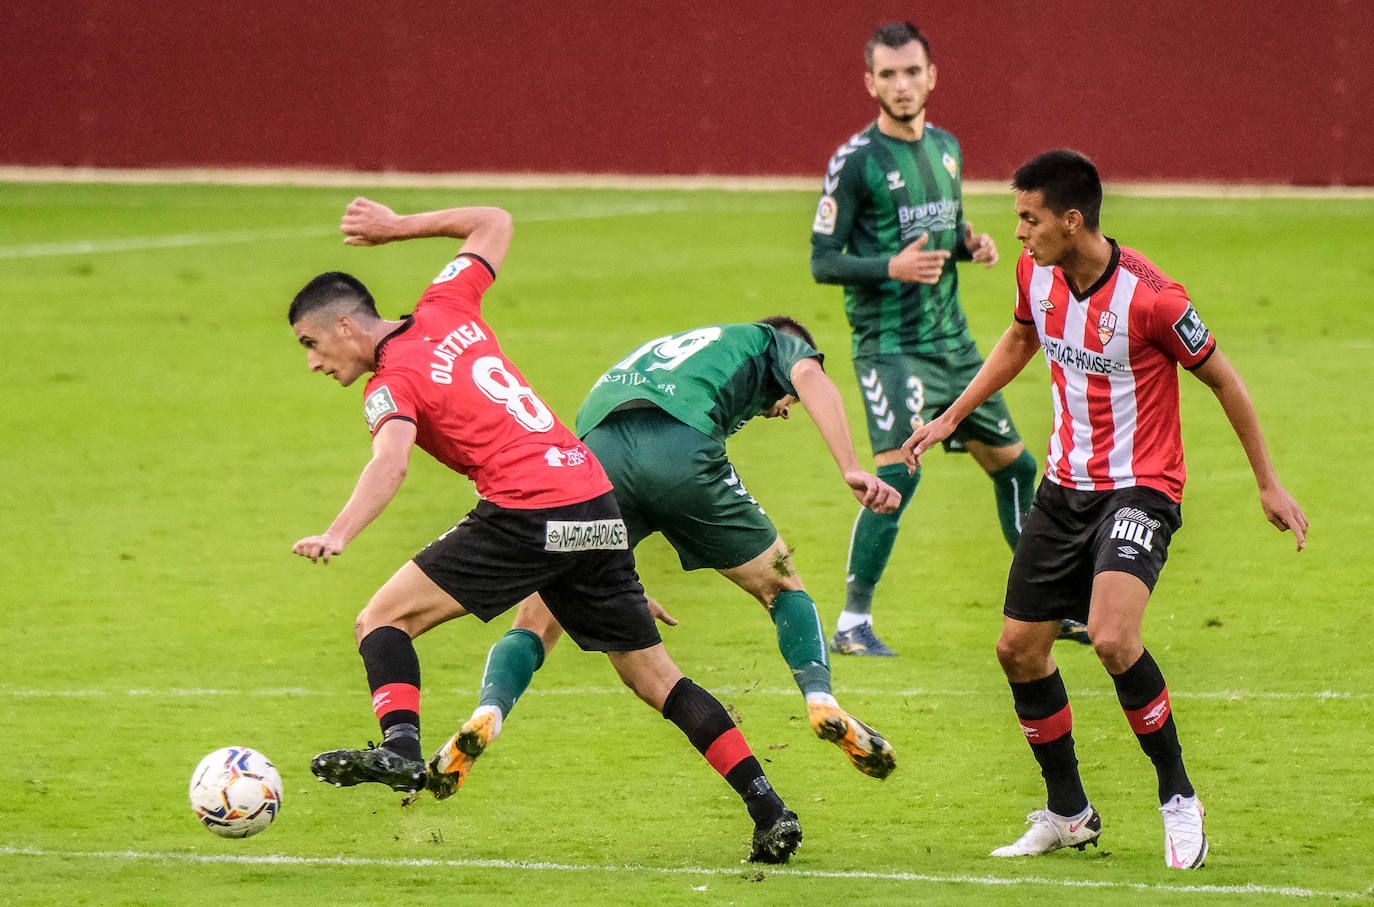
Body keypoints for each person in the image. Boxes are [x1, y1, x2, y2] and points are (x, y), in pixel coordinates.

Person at [288, 196, 802, 864]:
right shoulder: (446, 305)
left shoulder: (390, 382)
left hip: (527, 509)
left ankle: (401, 749)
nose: (311, 361)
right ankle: (771, 809)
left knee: (381, 619)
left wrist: (339, 532)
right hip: (593, 499)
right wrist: (396, 230)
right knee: (655, 678)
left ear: (347, 326)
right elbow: (494, 221)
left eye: (310, 343)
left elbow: (390, 463)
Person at [903, 149, 1308, 868]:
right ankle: (1069, 812)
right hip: (1064, 489)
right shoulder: (1038, 273)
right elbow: (1022, 337)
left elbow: (1226, 381)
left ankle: (1179, 797)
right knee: (1017, 649)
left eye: (1029, 218)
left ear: (1071, 219)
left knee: (1113, 637)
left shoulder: (1155, 298)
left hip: (1142, 486)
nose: (1018, 234)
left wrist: (1268, 482)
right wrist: (950, 415)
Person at [429, 318, 904, 794]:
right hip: (682, 450)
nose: (784, 412)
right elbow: (811, 377)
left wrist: (617, 576)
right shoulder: (773, 340)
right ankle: (821, 699)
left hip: (596, 456)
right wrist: (850, 467)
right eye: (788, 404)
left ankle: (486, 712)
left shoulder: (671, 350)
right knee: (780, 584)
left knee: (536, 617)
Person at [810, 22, 1084, 657]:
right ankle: (853, 623)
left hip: (954, 345)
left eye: (912, 72)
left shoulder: (948, 149)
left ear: (932, 76)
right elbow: (823, 260)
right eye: (888, 75)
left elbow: (946, 225)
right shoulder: (855, 163)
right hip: (891, 346)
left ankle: (1048, 606)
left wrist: (971, 244)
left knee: (1016, 468)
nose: (902, 86)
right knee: (898, 474)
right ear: (870, 82)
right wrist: (889, 267)